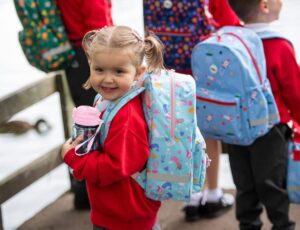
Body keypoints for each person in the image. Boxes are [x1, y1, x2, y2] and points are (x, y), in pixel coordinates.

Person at [61, 25, 164, 230]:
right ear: (89, 64)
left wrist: (74, 158)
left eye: (118, 71)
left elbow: (116, 167)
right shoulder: (109, 101)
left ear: (138, 73)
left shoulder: (126, 117)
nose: (107, 79)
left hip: (125, 218)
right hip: (116, 210)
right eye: (99, 70)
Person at [225, 0, 299, 229]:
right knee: (272, 184)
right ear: (264, 5)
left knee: (244, 185)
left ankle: (248, 224)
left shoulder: (228, 41)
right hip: (270, 128)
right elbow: (294, 92)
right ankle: (282, 225)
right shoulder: (279, 46)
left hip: (234, 129)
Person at [184, 0, 240, 221]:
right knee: (208, 133)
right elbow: (230, 27)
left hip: (170, 75)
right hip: (204, 69)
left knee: (183, 133)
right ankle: (214, 195)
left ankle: (191, 196)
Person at [57, 0, 113, 210]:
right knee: (94, 123)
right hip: (90, 54)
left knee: (84, 122)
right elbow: (98, 26)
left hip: (76, 56)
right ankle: (87, 191)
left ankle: (82, 189)